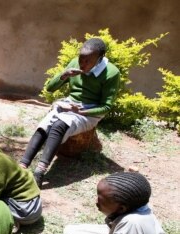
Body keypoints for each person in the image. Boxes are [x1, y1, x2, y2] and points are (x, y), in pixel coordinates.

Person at [19, 38, 121, 186]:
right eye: (81, 59)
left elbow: (106, 106)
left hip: (90, 111)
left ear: (100, 59)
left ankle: (39, 172)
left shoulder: (111, 73)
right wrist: (64, 75)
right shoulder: (74, 63)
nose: (82, 65)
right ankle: (22, 166)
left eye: (88, 61)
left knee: (59, 125)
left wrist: (82, 111)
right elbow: (49, 88)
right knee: (45, 125)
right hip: (70, 104)